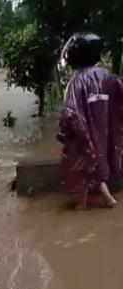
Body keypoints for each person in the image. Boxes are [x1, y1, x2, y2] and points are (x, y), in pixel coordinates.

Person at [57, 32, 123, 209]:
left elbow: (69, 113)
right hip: (104, 132)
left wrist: (65, 130)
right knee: (94, 162)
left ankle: (84, 204)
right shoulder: (108, 76)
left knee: (80, 164)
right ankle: (104, 198)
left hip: (83, 132)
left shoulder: (76, 82)